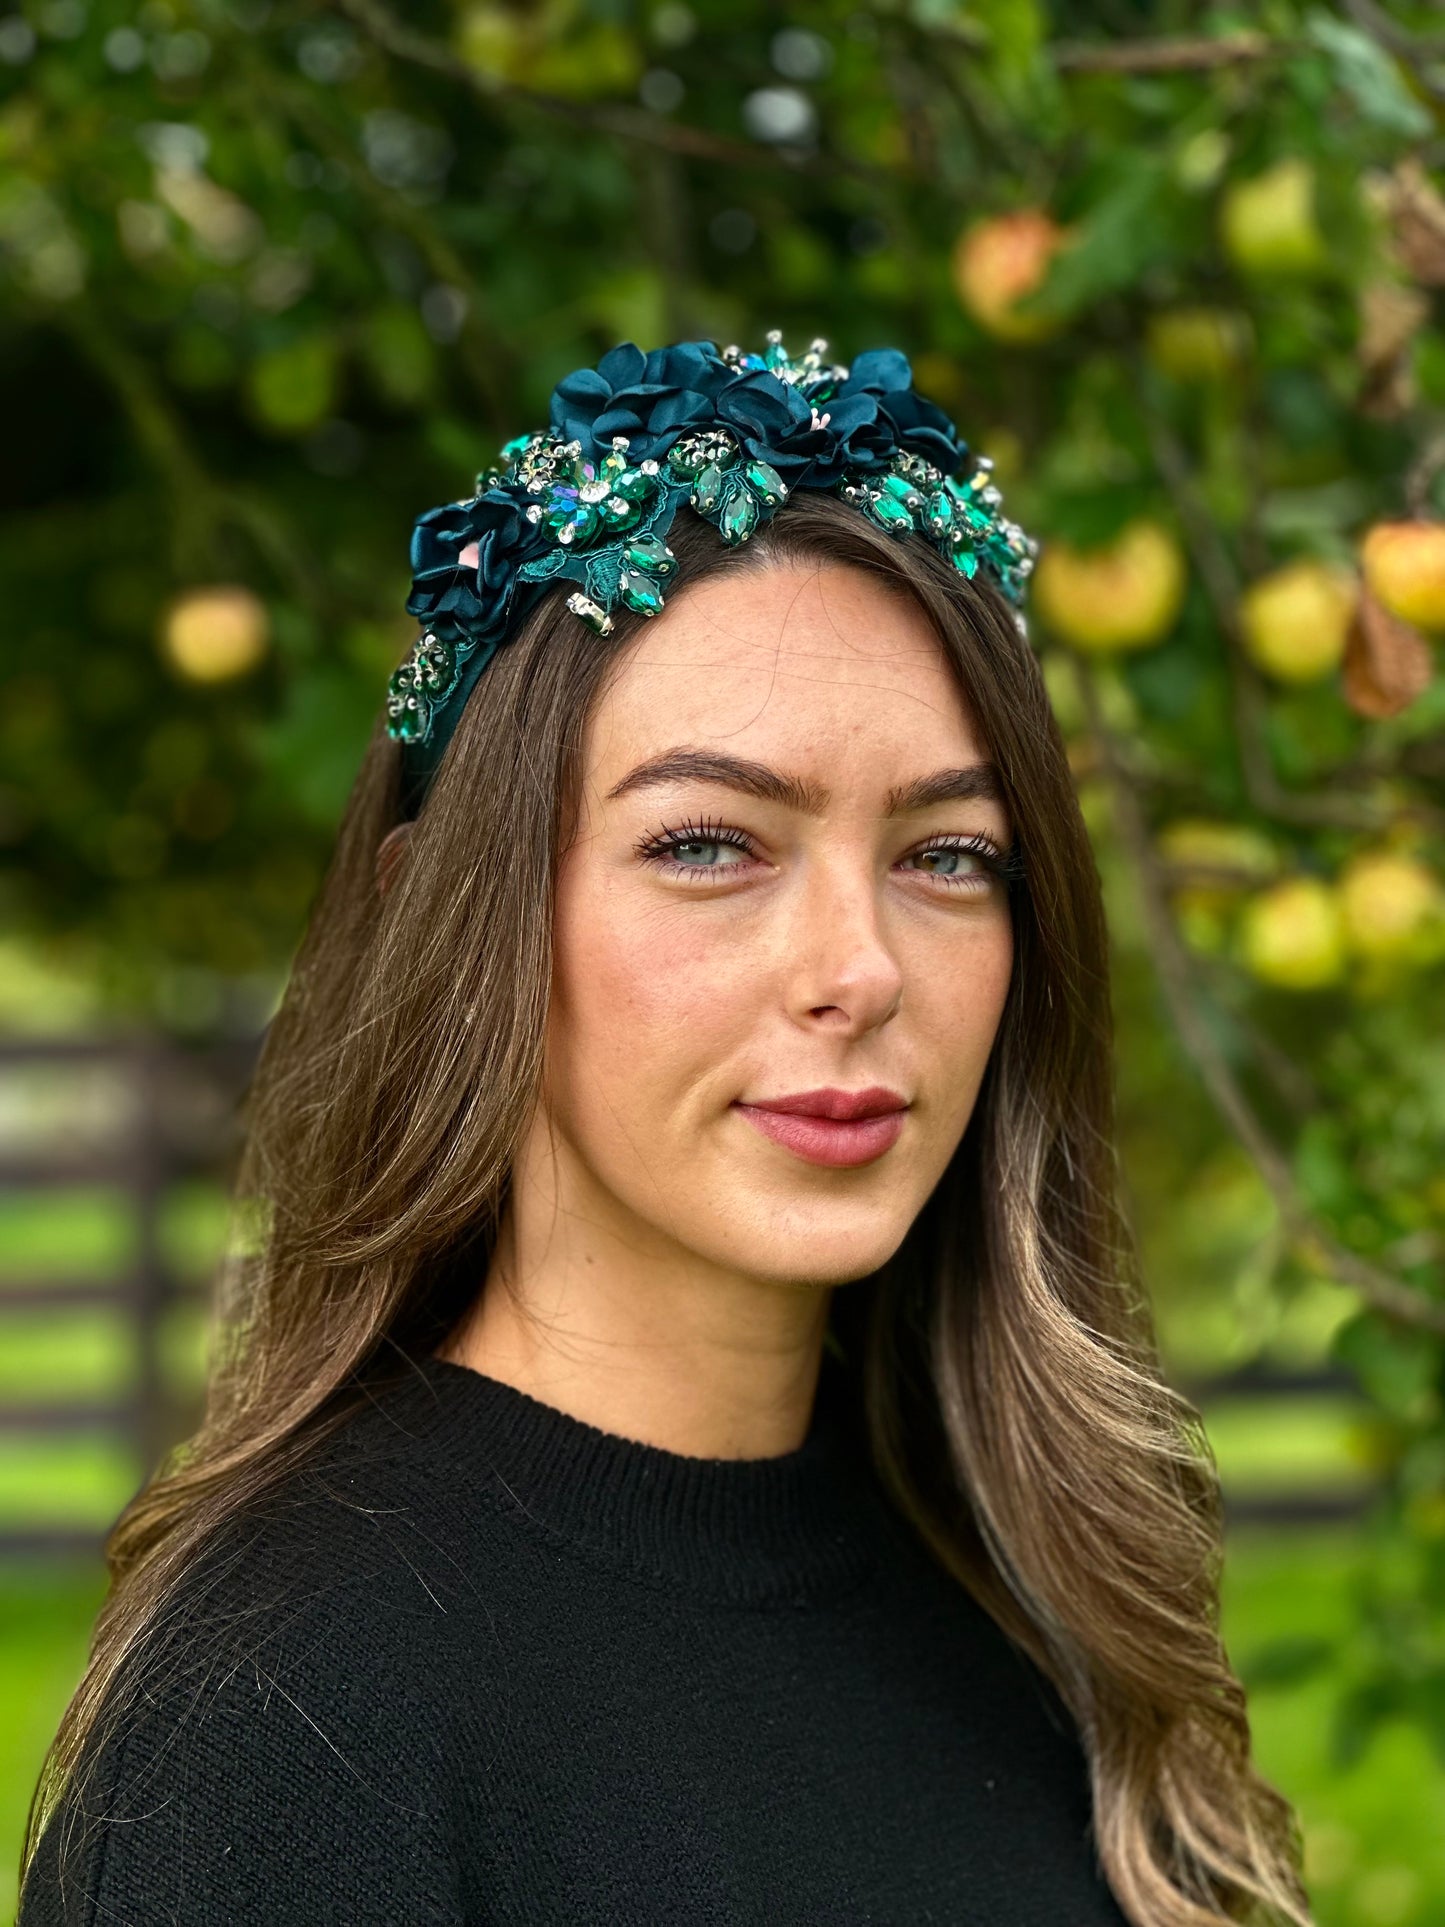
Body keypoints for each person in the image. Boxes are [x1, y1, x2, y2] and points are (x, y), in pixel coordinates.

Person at [18, 331, 1312, 1926]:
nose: (857, 969)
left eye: (949, 856)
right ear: (451, 917)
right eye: (709, 844)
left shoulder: (1027, 1592)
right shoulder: (290, 1721)